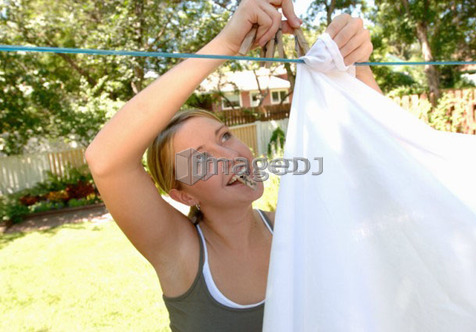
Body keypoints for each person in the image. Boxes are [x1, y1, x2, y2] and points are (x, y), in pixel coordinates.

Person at [85, 0, 381, 331]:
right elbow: (106, 160)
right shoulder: (180, 251)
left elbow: (380, 179)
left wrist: (358, 69)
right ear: (183, 196)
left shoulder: (295, 224)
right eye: (201, 158)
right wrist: (227, 43)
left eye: (224, 137)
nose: (231, 156)